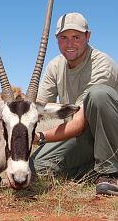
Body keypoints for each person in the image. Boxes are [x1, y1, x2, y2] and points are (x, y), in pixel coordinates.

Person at [30, 12, 118, 196]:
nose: (69, 44)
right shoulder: (55, 66)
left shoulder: (102, 63)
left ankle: (110, 173)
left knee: (99, 94)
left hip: (107, 135)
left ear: (88, 36)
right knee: (35, 168)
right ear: (57, 39)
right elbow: (36, 109)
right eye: (64, 38)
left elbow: (79, 123)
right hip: (83, 137)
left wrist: (38, 138)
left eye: (76, 37)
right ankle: (95, 170)